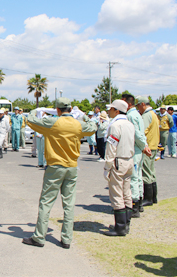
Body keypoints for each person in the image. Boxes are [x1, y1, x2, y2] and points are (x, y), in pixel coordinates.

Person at [22, 98, 97, 249]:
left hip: (55, 166)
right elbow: (93, 126)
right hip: (72, 166)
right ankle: (67, 239)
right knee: (69, 204)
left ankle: (39, 236)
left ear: (57, 110)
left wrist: (34, 111)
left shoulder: (53, 123)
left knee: (46, 202)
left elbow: (30, 121)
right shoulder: (78, 124)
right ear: (70, 109)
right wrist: (85, 116)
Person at [102, 100, 135, 236]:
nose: (109, 111)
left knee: (116, 194)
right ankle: (126, 223)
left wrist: (107, 166)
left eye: (111, 109)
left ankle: (120, 227)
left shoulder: (115, 125)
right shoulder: (130, 124)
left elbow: (111, 147)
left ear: (117, 111)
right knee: (127, 193)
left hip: (118, 161)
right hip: (129, 160)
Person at [122, 94, 151, 218]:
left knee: (133, 177)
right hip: (138, 149)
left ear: (128, 103)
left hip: (135, 149)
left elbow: (137, 134)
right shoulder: (137, 114)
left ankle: (134, 205)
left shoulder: (131, 116)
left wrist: (144, 146)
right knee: (138, 176)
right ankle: (139, 202)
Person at [136, 96, 160, 208]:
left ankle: (148, 198)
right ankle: (154, 197)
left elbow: (142, 132)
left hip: (148, 146)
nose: (138, 108)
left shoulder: (146, 115)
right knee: (151, 172)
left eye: (138, 106)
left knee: (145, 172)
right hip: (154, 145)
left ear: (143, 104)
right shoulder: (154, 114)